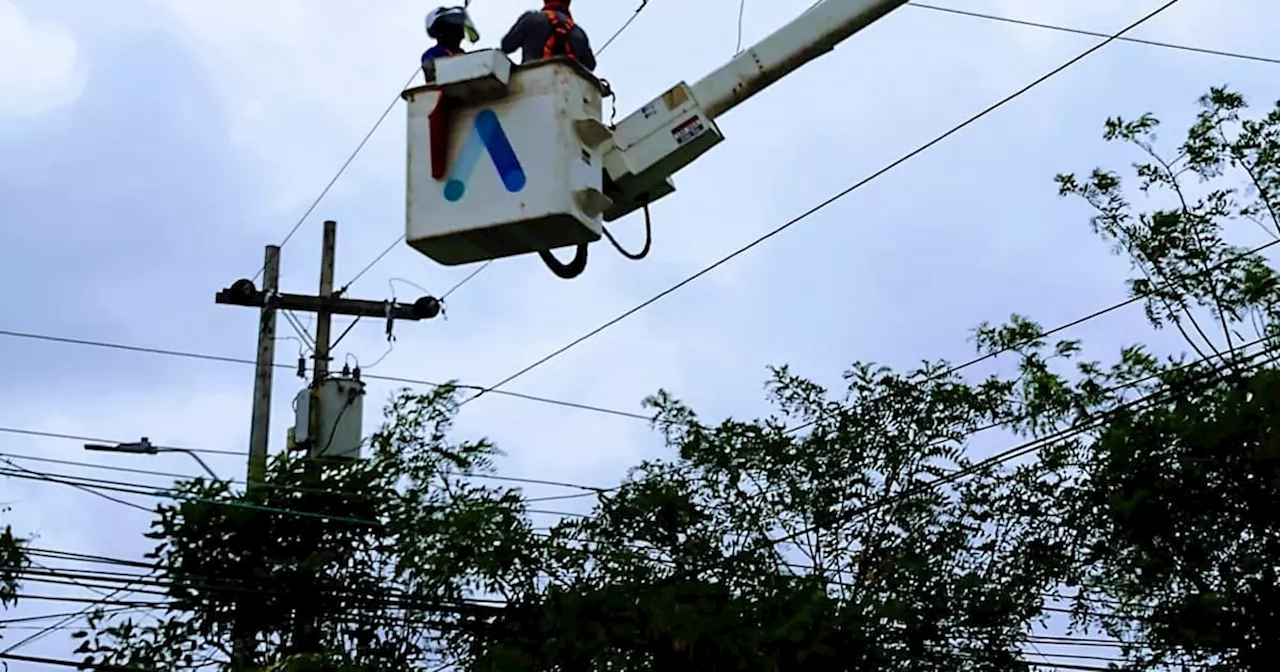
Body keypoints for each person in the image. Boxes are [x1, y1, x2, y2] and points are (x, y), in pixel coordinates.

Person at [499, 0, 597, 73]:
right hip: (567, 92)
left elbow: (507, 45)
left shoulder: (530, 19)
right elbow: (590, 65)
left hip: (531, 87)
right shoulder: (579, 34)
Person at [422, 6, 480, 82]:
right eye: (454, 29)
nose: (461, 35)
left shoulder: (463, 54)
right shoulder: (433, 54)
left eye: (461, 29)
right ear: (440, 31)